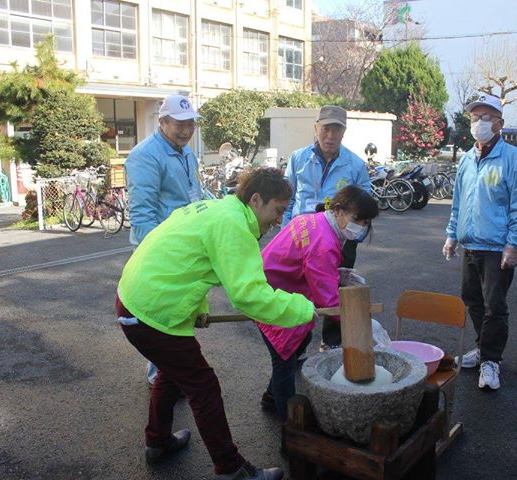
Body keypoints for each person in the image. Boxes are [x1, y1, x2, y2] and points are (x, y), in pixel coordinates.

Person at [117, 167, 318, 480]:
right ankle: (231, 468)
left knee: (173, 373)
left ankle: (157, 442)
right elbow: (249, 295)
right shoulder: (233, 224)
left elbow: (187, 261)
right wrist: (302, 310)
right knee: (203, 386)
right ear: (256, 200)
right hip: (150, 313)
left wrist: (198, 308)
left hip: (138, 301)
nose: (279, 220)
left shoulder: (219, 208)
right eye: (278, 210)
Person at [257, 185, 379, 421]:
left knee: (300, 341)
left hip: (272, 285)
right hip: (271, 296)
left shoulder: (314, 220)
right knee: (284, 360)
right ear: (339, 211)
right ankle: (290, 429)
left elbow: (309, 266)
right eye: (358, 220)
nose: (362, 227)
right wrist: (360, 324)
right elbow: (328, 300)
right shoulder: (324, 241)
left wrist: (337, 273)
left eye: (366, 222)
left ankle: (271, 397)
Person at [442, 93, 517, 391]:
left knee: (495, 305)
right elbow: (458, 203)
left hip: (498, 249)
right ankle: (483, 348)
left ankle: (492, 360)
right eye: (474, 118)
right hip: (471, 245)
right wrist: (452, 235)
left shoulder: (513, 159)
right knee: (472, 300)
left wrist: (515, 244)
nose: (479, 123)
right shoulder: (468, 159)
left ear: (499, 123)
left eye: (486, 118)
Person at [125, 93, 202, 385]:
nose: (186, 130)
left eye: (191, 124)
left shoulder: (187, 153)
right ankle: (160, 378)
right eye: (179, 124)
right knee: (160, 317)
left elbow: (195, 195)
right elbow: (142, 216)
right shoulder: (145, 155)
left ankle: (173, 375)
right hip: (161, 251)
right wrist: (159, 252)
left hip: (185, 246)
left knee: (180, 314)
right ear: (163, 121)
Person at [283, 105, 371, 350]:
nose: (330, 136)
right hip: (301, 239)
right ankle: (296, 341)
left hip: (339, 240)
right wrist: (285, 231)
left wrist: (355, 237)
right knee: (298, 289)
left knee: (336, 288)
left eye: (336, 130)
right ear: (316, 128)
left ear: (344, 132)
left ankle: (330, 344)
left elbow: (365, 205)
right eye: (325, 129)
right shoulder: (298, 158)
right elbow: (287, 199)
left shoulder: (355, 165)